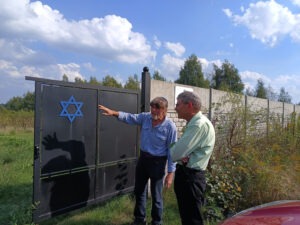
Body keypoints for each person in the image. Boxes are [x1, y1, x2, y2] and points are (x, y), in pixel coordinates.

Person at [98, 97, 177, 225]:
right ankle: (139, 220)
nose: (153, 111)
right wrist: (113, 113)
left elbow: (172, 151)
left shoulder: (170, 127)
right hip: (143, 159)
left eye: (157, 109)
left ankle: (157, 222)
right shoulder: (146, 117)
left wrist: (170, 173)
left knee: (157, 196)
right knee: (139, 191)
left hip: (158, 162)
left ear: (164, 110)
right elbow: (131, 117)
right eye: (152, 108)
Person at [170, 91, 215, 225]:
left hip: (190, 178)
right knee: (189, 217)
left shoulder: (198, 125)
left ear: (189, 105)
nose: (175, 108)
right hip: (189, 176)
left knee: (192, 219)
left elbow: (175, 153)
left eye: (178, 104)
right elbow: (181, 152)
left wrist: (174, 149)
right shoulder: (195, 123)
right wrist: (180, 152)